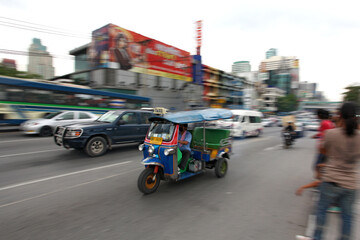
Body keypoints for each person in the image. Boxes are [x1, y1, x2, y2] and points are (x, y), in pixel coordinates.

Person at [297, 102, 360, 240]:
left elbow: (324, 151)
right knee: (348, 217)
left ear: (340, 115)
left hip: (331, 180)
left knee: (321, 212)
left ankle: (318, 237)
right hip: (351, 185)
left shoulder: (331, 134)